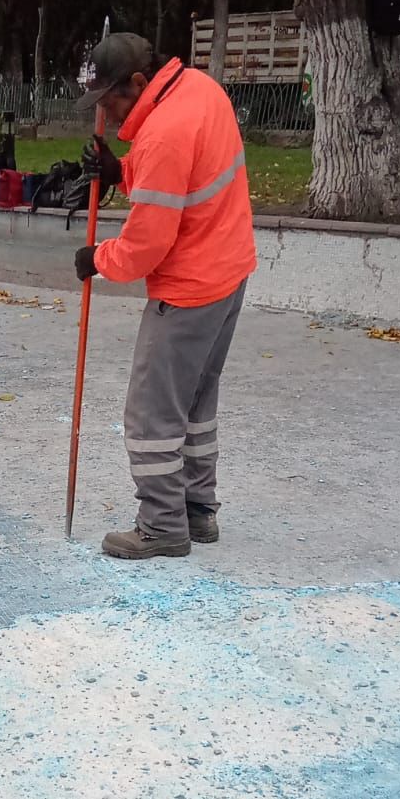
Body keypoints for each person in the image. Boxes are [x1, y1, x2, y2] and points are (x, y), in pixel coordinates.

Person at [73, 33, 256, 560]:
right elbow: (181, 181)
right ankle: (197, 511)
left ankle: (161, 524)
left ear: (138, 82)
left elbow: (146, 245)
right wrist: (122, 171)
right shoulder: (199, 88)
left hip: (189, 288)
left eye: (110, 100)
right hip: (229, 271)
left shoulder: (162, 134)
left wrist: (98, 259)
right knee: (194, 403)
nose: (106, 113)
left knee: (152, 413)